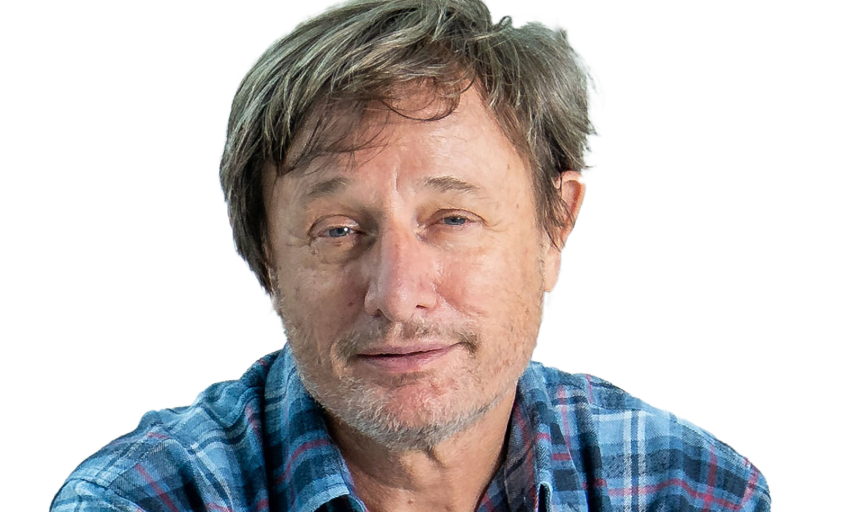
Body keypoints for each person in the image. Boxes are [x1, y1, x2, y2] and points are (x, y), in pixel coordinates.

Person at [51, 0, 770, 510]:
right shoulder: (144, 500)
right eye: (338, 230)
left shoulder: (683, 488)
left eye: (453, 218)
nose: (396, 296)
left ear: (556, 226)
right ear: (269, 258)